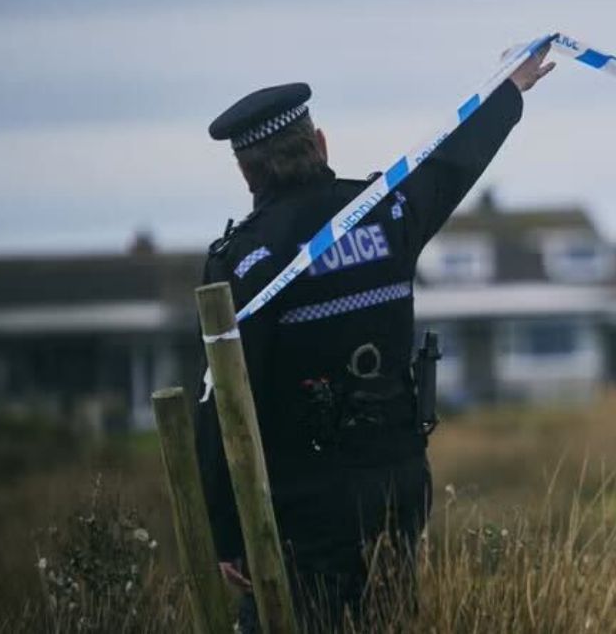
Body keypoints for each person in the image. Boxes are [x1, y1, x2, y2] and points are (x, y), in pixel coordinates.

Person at [195, 48, 553, 630]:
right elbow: (451, 165)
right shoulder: (384, 213)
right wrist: (508, 90)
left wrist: (226, 533)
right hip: (397, 486)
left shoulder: (241, 263)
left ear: (246, 172)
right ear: (321, 143)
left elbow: (223, 407)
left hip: (297, 507)